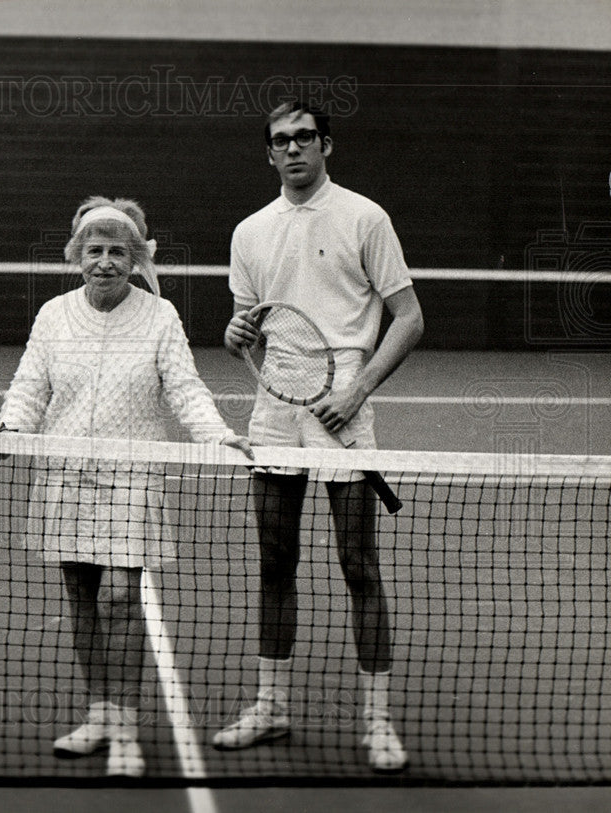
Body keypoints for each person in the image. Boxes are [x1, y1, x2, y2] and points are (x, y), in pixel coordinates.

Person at [0, 196, 251, 778]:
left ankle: (126, 727)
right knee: (81, 601)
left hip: (130, 475)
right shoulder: (53, 315)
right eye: (95, 250)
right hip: (64, 473)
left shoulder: (161, 317)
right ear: (78, 255)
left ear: (137, 259)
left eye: (117, 252)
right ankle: (99, 714)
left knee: (121, 599)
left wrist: (219, 436)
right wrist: (5, 432)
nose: (105, 261)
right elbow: (30, 389)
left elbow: (185, 389)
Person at [215, 102, 424, 773]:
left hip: (344, 411)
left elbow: (409, 317)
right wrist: (234, 333)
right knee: (275, 561)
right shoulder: (250, 232)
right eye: (281, 141)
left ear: (325, 145)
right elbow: (250, 321)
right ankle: (271, 705)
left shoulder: (365, 217)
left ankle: (377, 720)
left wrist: (356, 390)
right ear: (269, 154)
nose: (294, 148)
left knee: (359, 565)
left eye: (305, 137)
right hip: (276, 411)